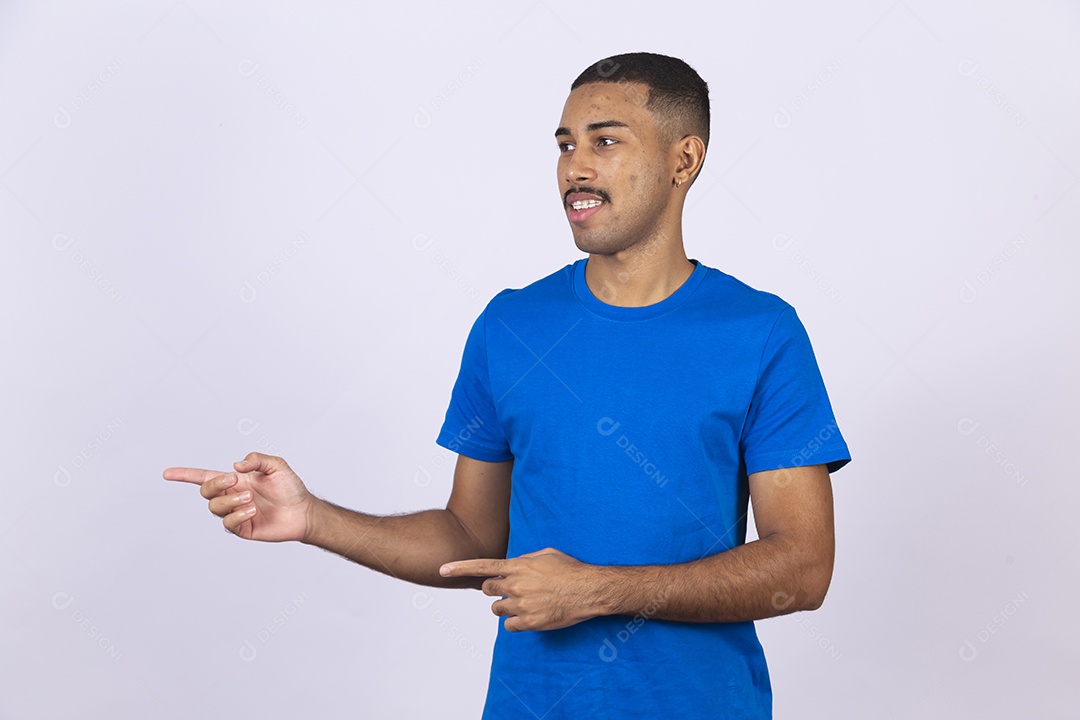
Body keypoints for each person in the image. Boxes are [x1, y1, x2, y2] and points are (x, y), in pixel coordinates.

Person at [165, 51, 851, 719]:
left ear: (683, 160)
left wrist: (600, 591)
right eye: (564, 144)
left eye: (605, 141)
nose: (575, 168)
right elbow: (470, 534)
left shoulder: (761, 332)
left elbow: (802, 567)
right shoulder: (511, 325)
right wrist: (314, 518)